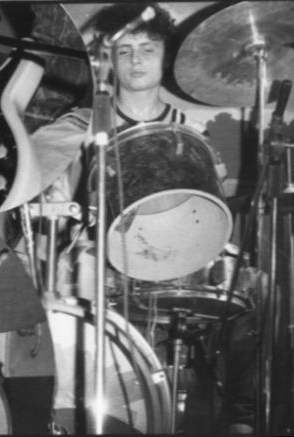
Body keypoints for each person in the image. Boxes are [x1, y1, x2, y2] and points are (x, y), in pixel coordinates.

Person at [30, 3, 257, 435]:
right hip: (105, 257)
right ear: (110, 61)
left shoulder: (190, 128)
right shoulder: (83, 125)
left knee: (252, 284)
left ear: (165, 58)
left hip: (178, 256)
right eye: (125, 50)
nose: (136, 60)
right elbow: (51, 197)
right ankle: (87, 409)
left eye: (148, 49)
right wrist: (53, 192)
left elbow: (209, 205)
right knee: (75, 271)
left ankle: (241, 416)